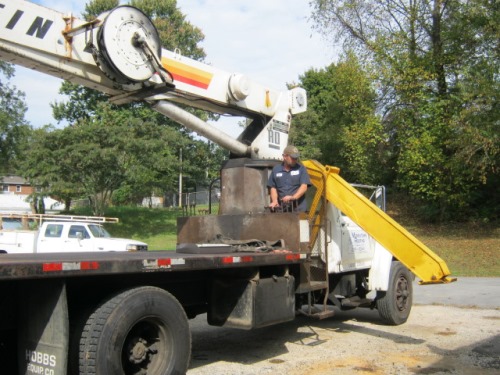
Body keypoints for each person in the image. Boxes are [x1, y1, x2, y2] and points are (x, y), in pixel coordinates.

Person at [267, 145, 311, 212]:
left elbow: (304, 187)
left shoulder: (301, 168)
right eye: (293, 158)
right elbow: (273, 187)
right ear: (284, 156)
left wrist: (293, 197)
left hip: (299, 210)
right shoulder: (276, 169)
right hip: (282, 210)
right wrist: (275, 201)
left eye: (296, 158)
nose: (295, 160)